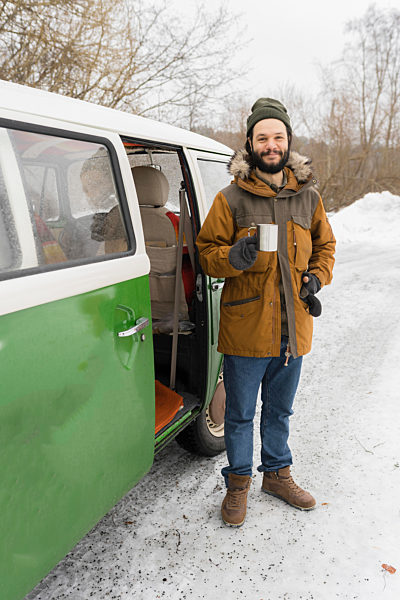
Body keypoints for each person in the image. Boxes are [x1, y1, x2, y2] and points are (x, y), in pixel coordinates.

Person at [196, 98, 336, 527]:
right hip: (247, 327)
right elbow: (206, 254)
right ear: (250, 144)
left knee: (280, 411)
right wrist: (234, 255)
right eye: (262, 137)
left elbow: (326, 248)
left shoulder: (308, 198)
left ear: (287, 141)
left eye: (277, 137)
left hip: (292, 328)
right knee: (239, 414)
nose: (270, 144)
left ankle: (277, 475)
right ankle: (237, 486)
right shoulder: (230, 199)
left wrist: (314, 279)